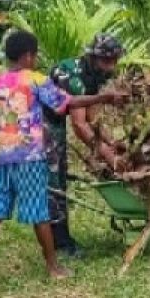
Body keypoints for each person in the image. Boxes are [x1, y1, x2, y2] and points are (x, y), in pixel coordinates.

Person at [0, 31, 126, 288]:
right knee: (40, 213)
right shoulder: (36, 80)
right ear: (28, 56)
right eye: (35, 55)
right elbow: (66, 103)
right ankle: (54, 266)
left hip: (4, 158)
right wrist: (104, 98)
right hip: (31, 157)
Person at [44, 34, 128, 258]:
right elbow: (80, 126)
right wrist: (112, 160)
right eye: (107, 60)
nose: (111, 66)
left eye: (114, 61)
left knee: (59, 178)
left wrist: (113, 143)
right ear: (93, 56)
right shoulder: (74, 76)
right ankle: (60, 244)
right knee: (54, 182)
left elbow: (93, 118)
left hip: (55, 123)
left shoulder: (93, 75)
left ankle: (60, 238)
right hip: (40, 123)